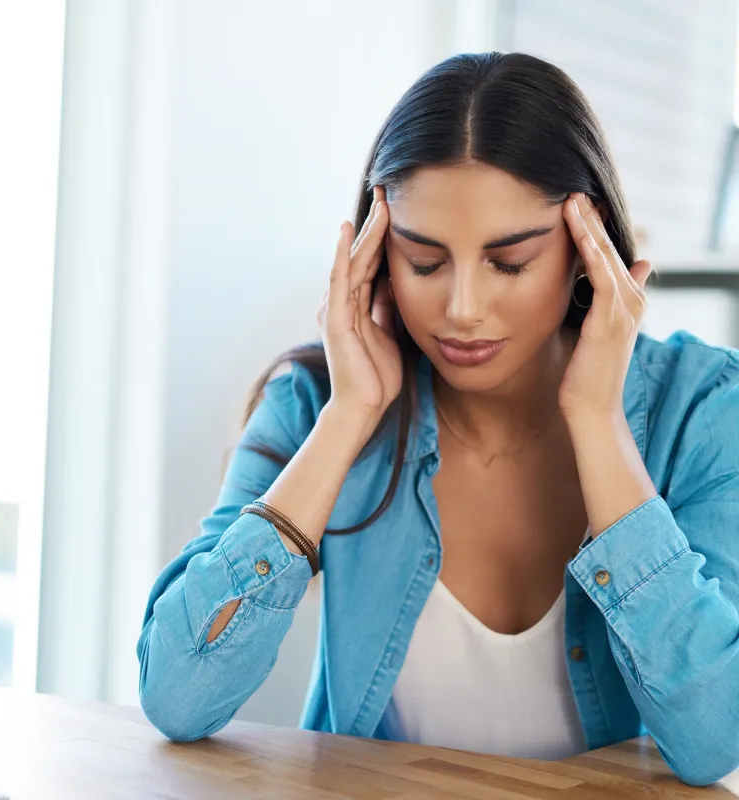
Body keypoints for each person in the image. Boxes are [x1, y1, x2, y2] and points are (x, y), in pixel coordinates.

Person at [136, 52, 739, 786]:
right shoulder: (313, 404)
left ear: (590, 250)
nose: (461, 310)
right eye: (423, 262)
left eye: (509, 262)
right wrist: (351, 414)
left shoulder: (703, 409)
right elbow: (175, 693)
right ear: (374, 257)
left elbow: (712, 738)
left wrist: (598, 421)